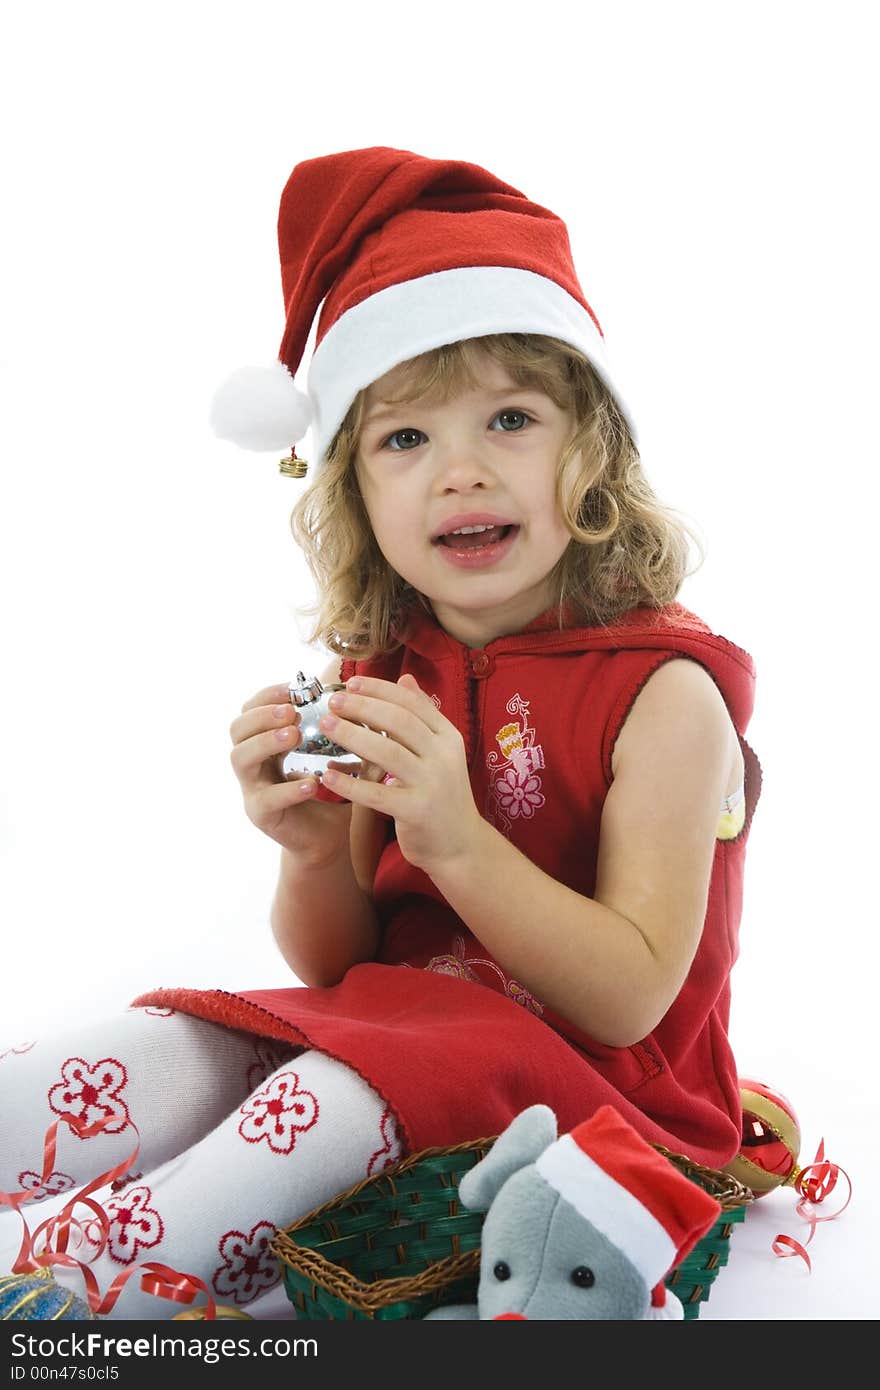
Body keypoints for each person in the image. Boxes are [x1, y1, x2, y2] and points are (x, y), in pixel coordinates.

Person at [0, 146, 761, 1319]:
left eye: (510, 418)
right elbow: (338, 962)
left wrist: (457, 839)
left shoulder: (664, 693)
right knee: (185, 1048)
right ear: (354, 491)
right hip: (399, 1032)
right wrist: (307, 849)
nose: (459, 470)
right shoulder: (384, 668)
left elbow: (626, 1002)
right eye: (403, 440)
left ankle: (73, 1296)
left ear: (592, 453)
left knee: (325, 1101)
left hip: (602, 1096)